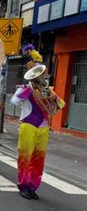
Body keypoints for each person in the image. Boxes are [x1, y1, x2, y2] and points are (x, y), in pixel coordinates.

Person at [11, 44, 65, 200]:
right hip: (29, 125)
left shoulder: (46, 89)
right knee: (25, 157)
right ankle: (23, 185)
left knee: (38, 160)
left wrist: (52, 96)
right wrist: (28, 89)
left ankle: (33, 186)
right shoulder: (24, 88)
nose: (41, 77)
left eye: (42, 74)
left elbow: (61, 105)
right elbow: (14, 101)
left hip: (43, 127)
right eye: (38, 74)